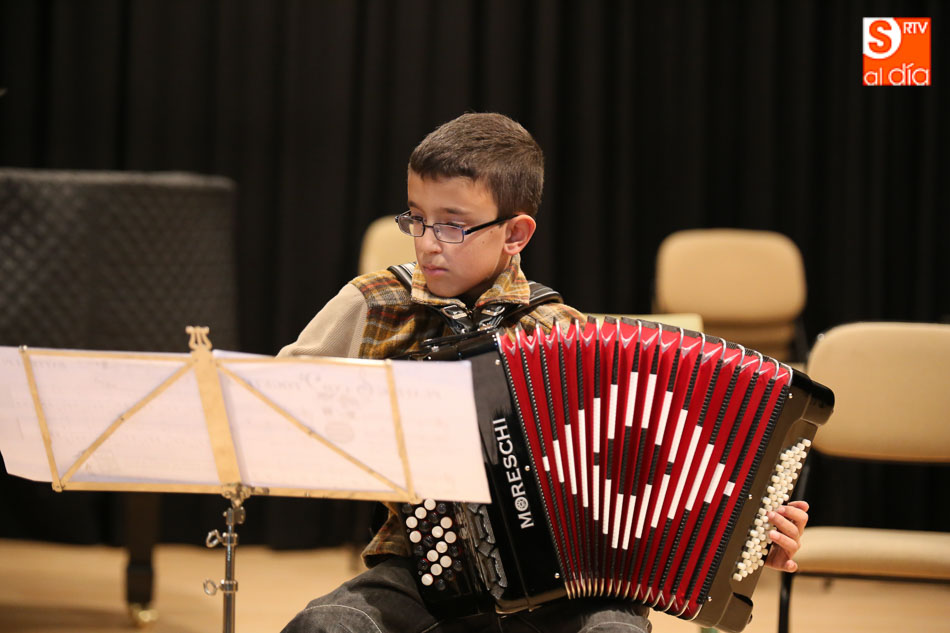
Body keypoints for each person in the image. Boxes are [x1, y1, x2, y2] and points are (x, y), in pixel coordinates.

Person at [277, 112, 809, 633]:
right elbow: (278, 406)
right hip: (423, 570)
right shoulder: (375, 304)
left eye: (453, 225)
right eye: (417, 217)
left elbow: (660, 479)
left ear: (516, 233)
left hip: (569, 587)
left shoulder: (565, 334)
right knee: (328, 624)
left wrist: (756, 531)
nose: (428, 242)